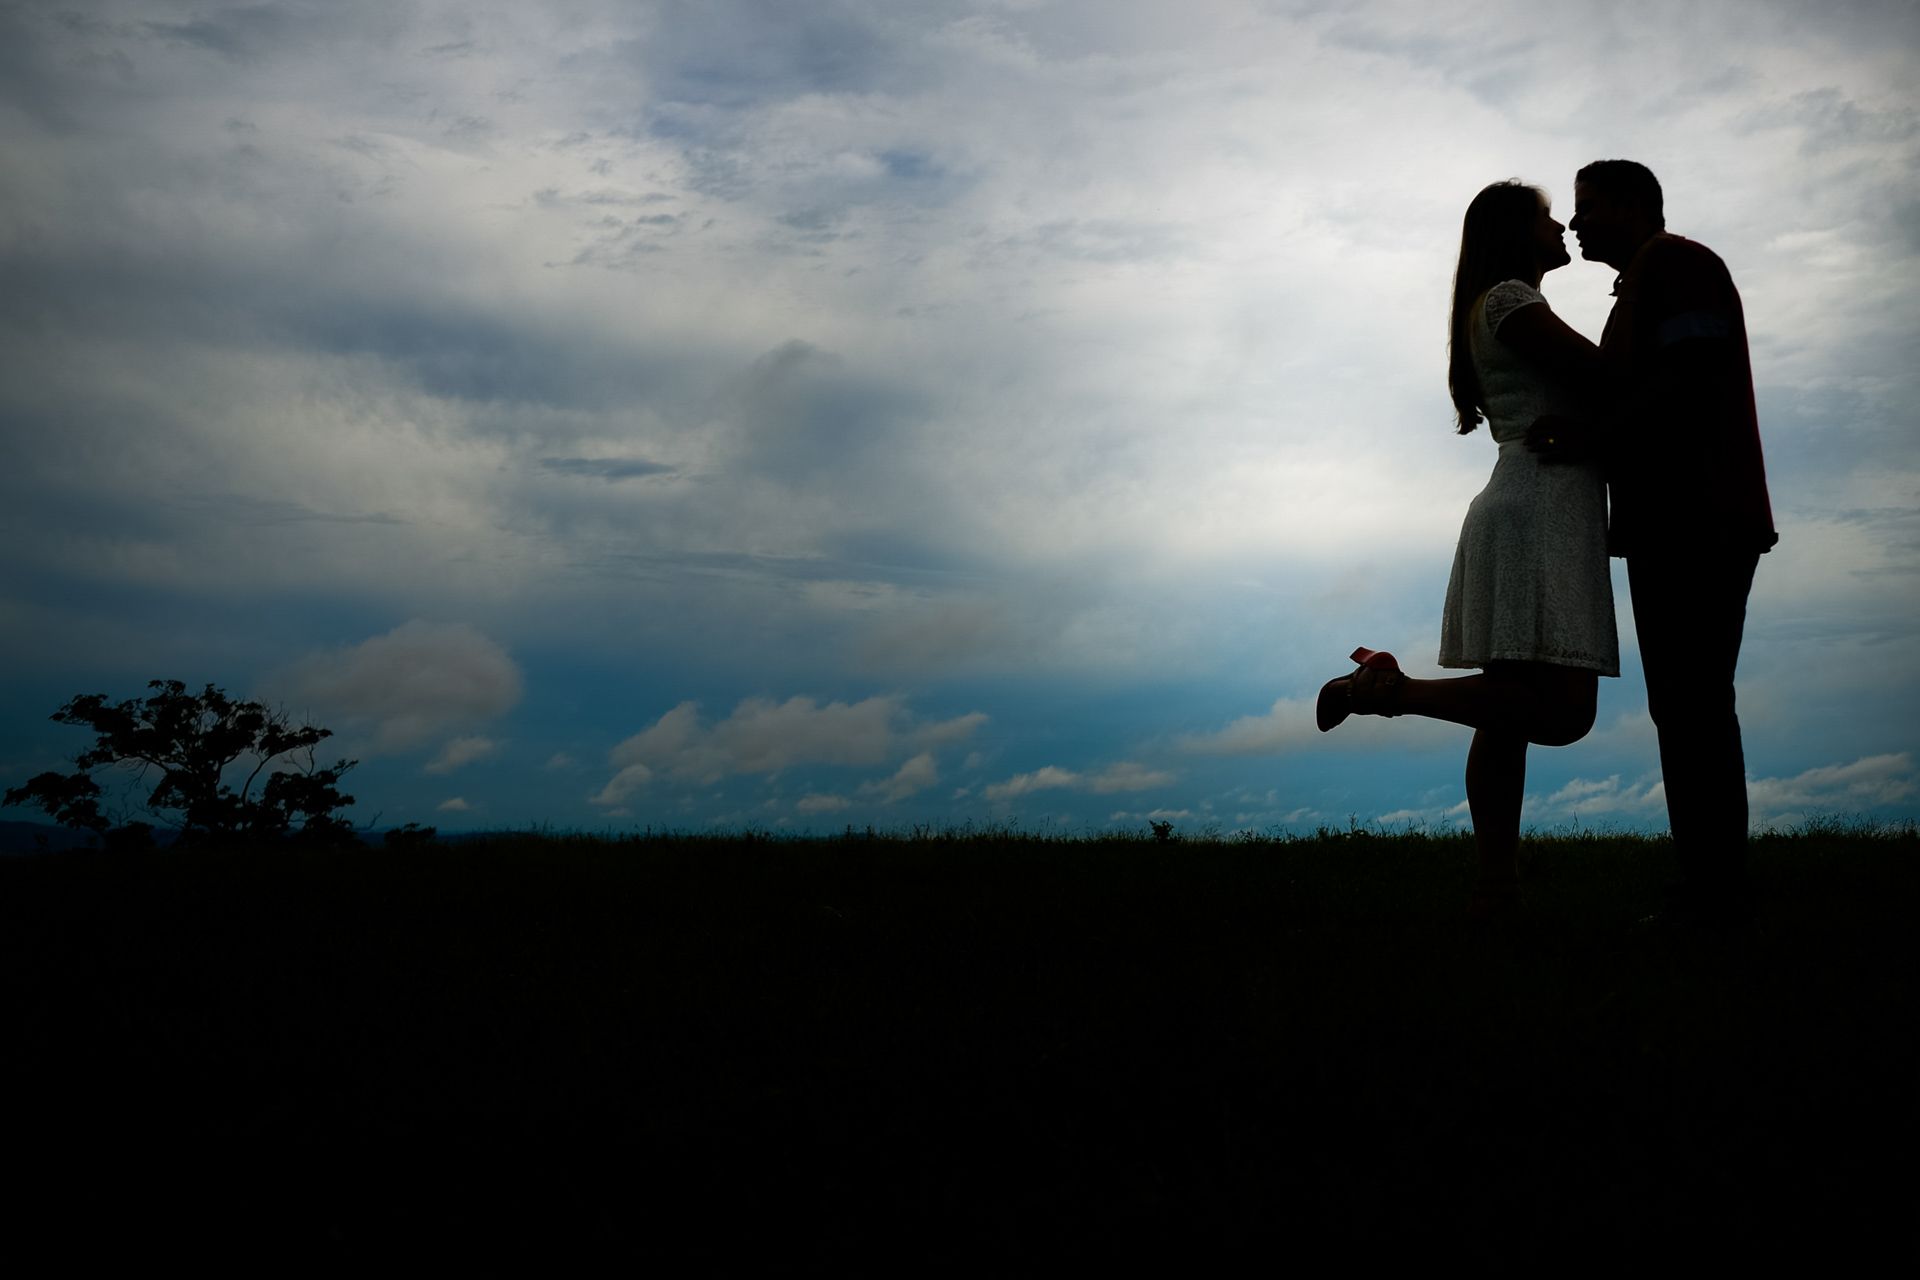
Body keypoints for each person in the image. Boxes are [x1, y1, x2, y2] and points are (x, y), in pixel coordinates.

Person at [1317, 179, 1617, 920]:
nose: (1560, 227)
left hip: (1531, 500)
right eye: (1547, 217)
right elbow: (1609, 380)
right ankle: (1393, 694)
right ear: (1515, 233)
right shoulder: (1511, 299)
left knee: (1506, 710)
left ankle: (1495, 885)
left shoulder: (1498, 302)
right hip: (1539, 507)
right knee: (1564, 713)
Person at [1531, 159, 1776, 927]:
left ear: (1636, 206)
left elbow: (1689, 378)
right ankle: (1708, 881)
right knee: (1685, 702)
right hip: (1676, 520)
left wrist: (1588, 437)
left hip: (1697, 515)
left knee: (1694, 701)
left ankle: (1714, 890)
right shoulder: (1649, 278)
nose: (1575, 222)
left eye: (1590, 206)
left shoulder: (1677, 264)